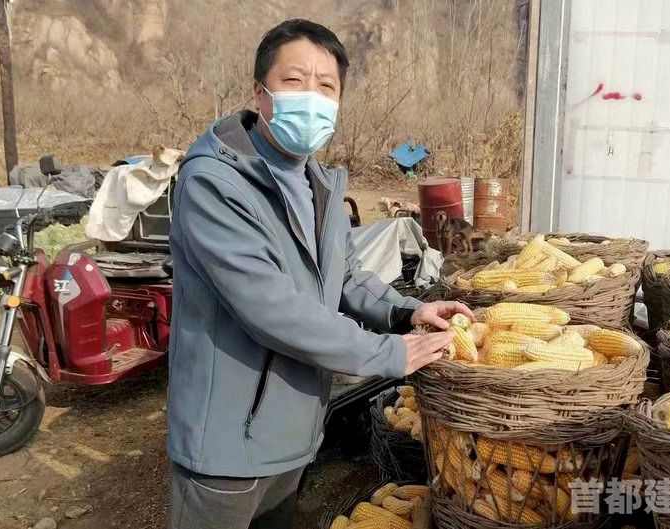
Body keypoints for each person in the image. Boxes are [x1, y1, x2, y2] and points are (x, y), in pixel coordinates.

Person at [167, 19, 473, 529]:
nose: (311, 96)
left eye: (326, 86)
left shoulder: (320, 185)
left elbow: (346, 276)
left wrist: (409, 312)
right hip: (226, 445)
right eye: (294, 80)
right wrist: (389, 353)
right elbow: (272, 310)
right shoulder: (214, 185)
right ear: (260, 94)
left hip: (294, 432)